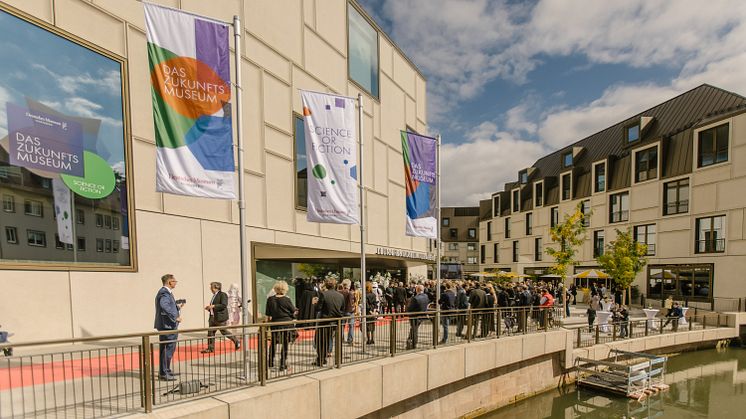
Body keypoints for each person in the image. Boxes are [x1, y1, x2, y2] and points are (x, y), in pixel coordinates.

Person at [154, 274, 184, 381]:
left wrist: (177, 306)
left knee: (165, 349)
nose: (176, 283)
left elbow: (167, 306)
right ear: (170, 282)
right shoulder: (164, 292)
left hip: (166, 326)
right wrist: (175, 317)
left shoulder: (165, 292)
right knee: (168, 349)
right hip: (168, 326)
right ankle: (164, 372)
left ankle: (165, 370)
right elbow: (164, 306)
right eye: (175, 281)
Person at [265, 280, 297, 371]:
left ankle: (270, 362)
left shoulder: (270, 299)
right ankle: (282, 363)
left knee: (273, 343)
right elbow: (293, 310)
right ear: (285, 289)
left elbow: (268, 314)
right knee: (285, 343)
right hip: (286, 323)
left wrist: (266, 325)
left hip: (275, 323)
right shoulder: (287, 299)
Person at [201, 282, 240, 353]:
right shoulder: (214, 296)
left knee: (224, 332)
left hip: (220, 318)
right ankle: (210, 348)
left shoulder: (223, 294)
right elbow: (215, 306)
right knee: (210, 333)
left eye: (211, 287)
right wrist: (209, 308)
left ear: (216, 288)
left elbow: (224, 305)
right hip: (213, 317)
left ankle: (236, 341)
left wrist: (213, 306)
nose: (210, 289)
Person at [313, 278, 345, 366]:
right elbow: (342, 310)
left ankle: (321, 359)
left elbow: (318, 308)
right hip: (336, 322)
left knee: (321, 341)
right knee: (330, 341)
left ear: (326, 285)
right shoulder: (340, 295)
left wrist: (315, 303)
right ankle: (334, 360)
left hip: (325, 321)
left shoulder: (323, 294)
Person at [406, 284, 429, 349]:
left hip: (415, 316)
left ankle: (414, 344)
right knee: (414, 329)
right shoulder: (426, 296)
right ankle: (409, 340)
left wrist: (407, 308)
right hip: (422, 316)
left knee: (414, 330)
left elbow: (410, 308)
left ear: (417, 290)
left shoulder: (415, 298)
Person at [339, 279, 356, 345]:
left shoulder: (340, 292)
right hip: (350, 311)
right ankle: (350, 340)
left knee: (342, 326)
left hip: (342, 311)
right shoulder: (350, 293)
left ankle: (341, 339)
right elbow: (352, 302)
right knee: (351, 326)